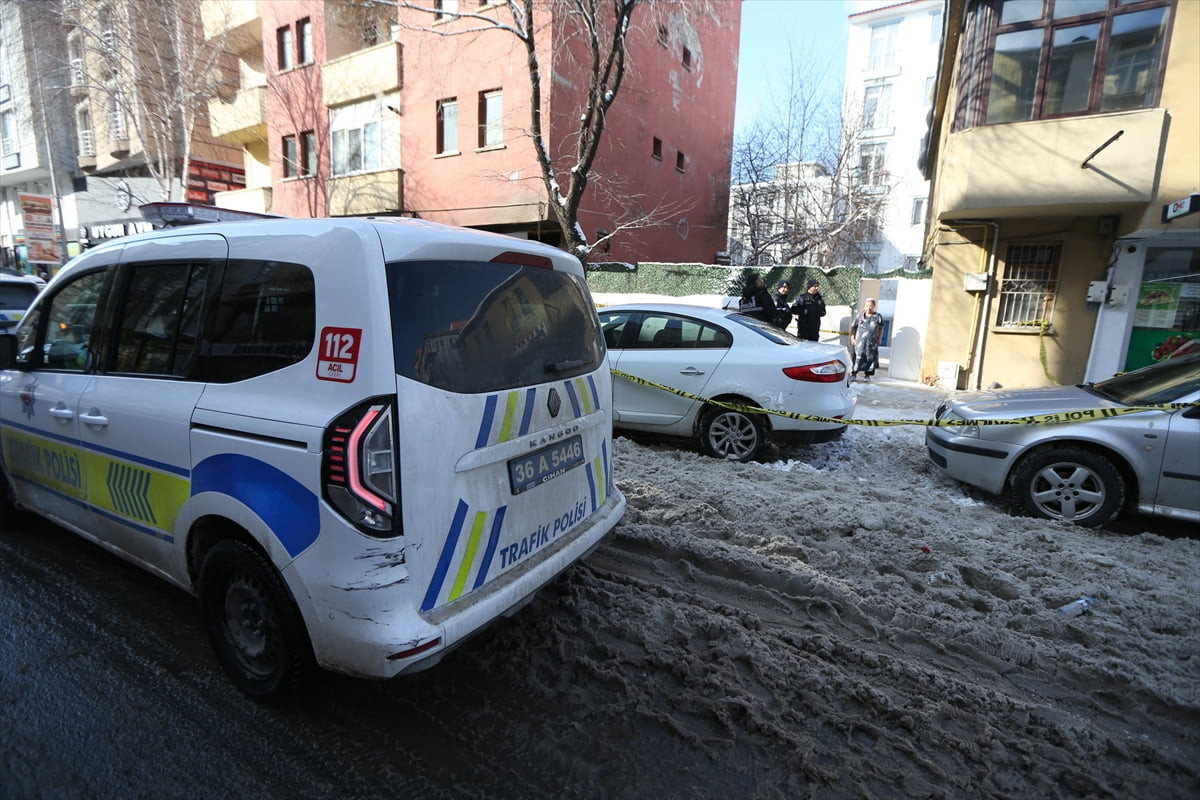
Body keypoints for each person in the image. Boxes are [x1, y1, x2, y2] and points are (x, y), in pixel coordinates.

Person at [849, 297, 885, 382]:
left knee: (870, 358)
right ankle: (854, 374)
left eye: (871, 305)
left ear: (874, 306)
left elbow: (881, 328)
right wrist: (852, 338)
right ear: (864, 306)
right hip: (859, 342)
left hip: (872, 343)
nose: (869, 307)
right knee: (857, 357)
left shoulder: (878, 317)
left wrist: (879, 338)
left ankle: (867, 375)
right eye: (867, 305)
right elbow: (853, 327)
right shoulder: (860, 316)